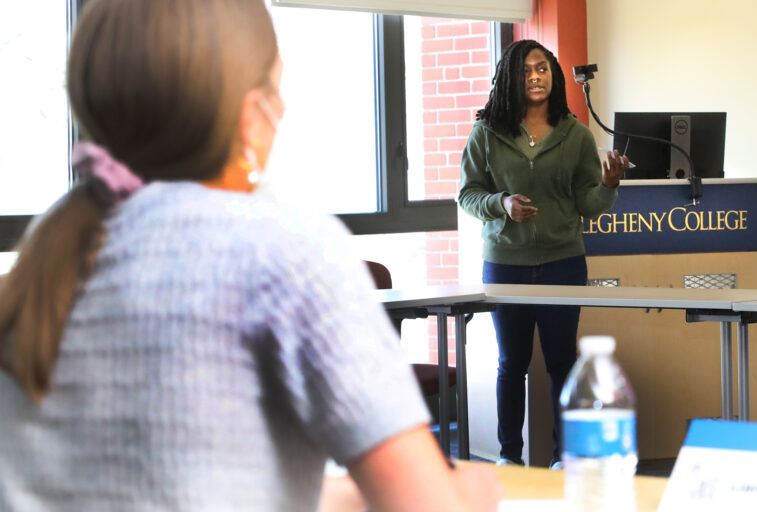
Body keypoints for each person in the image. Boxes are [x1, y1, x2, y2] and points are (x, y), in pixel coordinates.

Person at [0, 1, 503, 510]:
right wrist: (477, 493)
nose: (281, 112)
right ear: (249, 111)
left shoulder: (45, 258)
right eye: (276, 88)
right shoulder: (280, 247)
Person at [458, 40, 628, 469]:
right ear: (510, 79)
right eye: (526, 70)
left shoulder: (575, 135)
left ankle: (564, 458)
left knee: (562, 362)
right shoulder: (487, 133)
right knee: (511, 363)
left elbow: (587, 205)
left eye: (542, 68)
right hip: (505, 262)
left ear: (553, 76)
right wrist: (501, 204)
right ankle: (508, 458)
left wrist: (607, 186)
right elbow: (468, 194)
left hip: (562, 261)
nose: (535, 76)